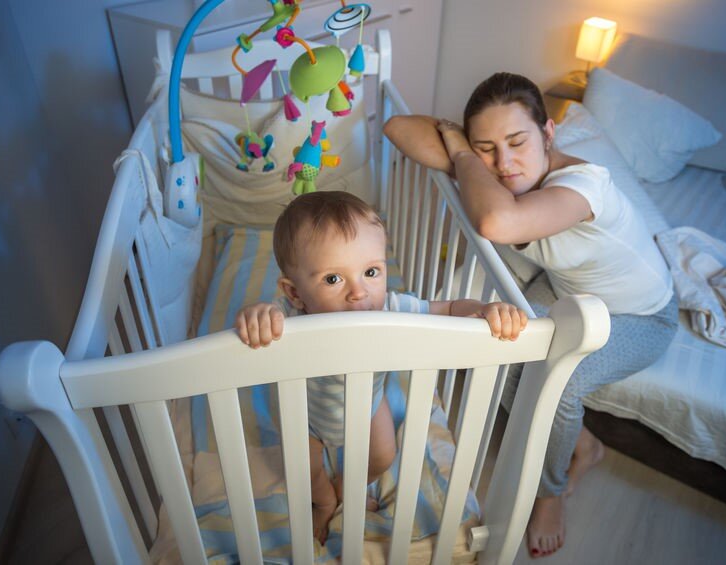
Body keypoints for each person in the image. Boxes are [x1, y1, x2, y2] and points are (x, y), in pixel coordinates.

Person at [384, 72, 678, 558]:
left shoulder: (584, 186)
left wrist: (462, 152)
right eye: (488, 148)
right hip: (569, 291)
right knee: (504, 345)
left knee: (559, 382)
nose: (504, 164)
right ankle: (585, 444)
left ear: (548, 133)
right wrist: (461, 141)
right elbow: (396, 127)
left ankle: (550, 491)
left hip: (640, 315)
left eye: (518, 142)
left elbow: (496, 221)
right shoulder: (497, 169)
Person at [235, 190, 529, 544]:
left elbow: (449, 309)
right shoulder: (290, 316)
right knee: (303, 472)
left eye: (371, 272)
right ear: (295, 293)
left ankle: (347, 486)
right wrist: (257, 316)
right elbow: (263, 320)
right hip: (306, 416)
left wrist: (483, 310)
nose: (359, 292)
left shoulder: (389, 308)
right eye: (333, 279)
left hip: (369, 406)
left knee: (382, 456)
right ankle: (325, 501)